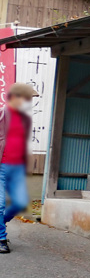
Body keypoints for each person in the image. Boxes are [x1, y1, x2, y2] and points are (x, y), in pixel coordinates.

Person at [0, 83, 39, 253]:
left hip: (16, 167)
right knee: (0, 204)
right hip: (1, 165)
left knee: (20, 203)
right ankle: (1, 238)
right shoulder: (3, 113)